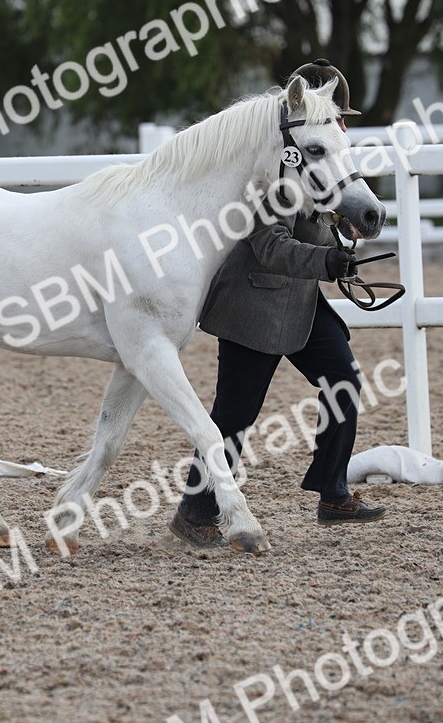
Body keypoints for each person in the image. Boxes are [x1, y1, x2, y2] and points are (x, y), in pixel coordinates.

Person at [169, 58, 386, 549]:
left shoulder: (321, 159)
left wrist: (343, 223)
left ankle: (332, 492)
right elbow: (271, 247)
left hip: (303, 303)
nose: (338, 123)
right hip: (255, 304)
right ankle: (195, 512)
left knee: (344, 381)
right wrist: (329, 262)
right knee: (233, 415)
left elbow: (322, 207)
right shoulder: (271, 171)